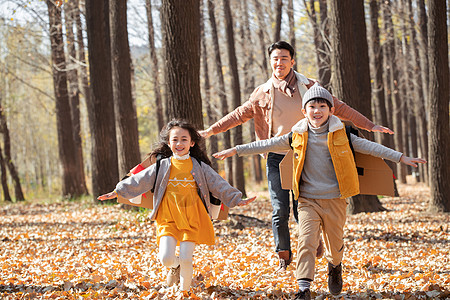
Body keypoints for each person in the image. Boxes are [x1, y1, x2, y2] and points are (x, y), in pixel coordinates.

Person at [212, 83, 426, 299]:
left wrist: (401, 157)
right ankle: (304, 288)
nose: (317, 110)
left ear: (331, 110)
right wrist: (236, 150)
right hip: (307, 200)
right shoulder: (295, 136)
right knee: (306, 241)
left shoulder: (344, 135)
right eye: (312, 106)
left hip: (335, 199)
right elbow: (267, 144)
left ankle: (335, 267)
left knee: (335, 245)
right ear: (304, 111)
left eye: (322, 106)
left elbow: (372, 148)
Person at [199, 40, 394, 272]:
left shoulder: (309, 87)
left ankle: (310, 245)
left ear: (292, 60)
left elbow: (339, 107)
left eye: (283, 58)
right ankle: (283, 254)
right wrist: (211, 130)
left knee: (300, 207)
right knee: (278, 208)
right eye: (275, 58)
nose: (279, 62)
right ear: (270, 62)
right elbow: (240, 114)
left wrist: (370, 125)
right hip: (275, 155)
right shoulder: (262, 92)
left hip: (305, 155)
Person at [98, 119, 256, 294]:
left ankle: (184, 293)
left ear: (192, 143)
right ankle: (175, 265)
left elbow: (218, 184)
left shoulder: (200, 167)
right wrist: (117, 191)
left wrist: (236, 199)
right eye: (175, 139)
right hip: (168, 217)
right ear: (168, 142)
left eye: (184, 139)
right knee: (166, 258)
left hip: (192, 216)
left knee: (187, 259)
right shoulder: (162, 165)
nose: (179, 143)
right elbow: (139, 180)